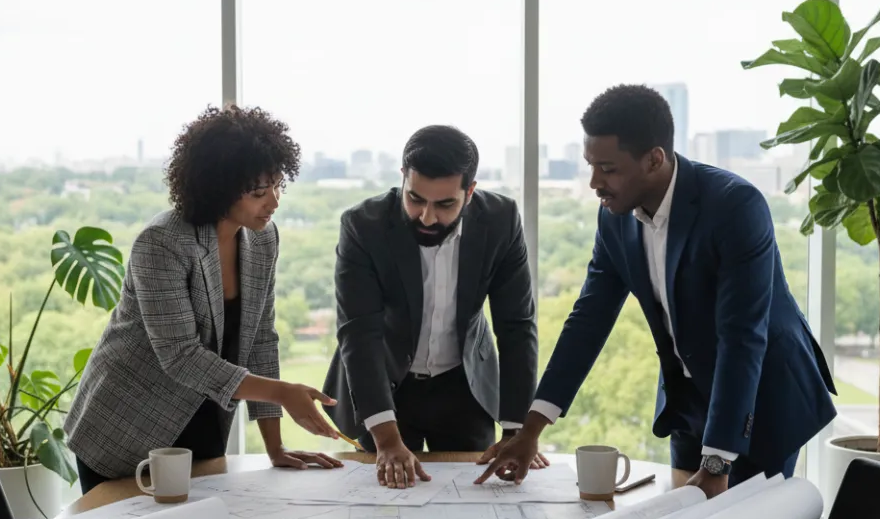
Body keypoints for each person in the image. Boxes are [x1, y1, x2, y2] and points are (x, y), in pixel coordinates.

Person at [478, 85, 837, 497]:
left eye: (608, 168)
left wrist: (718, 460)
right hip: (688, 402)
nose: (595, 182)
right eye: (590, 166)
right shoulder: (614, 218)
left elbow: (742, 336)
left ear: (654, 159)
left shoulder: (735, 206)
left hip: (761, 398)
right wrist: (531, 428)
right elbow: (588, 322)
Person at [65, 105, 343, 494]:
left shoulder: (263, 238)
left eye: (278, 185)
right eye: (260, 192)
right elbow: (180, 355)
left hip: (204, 425)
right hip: (126, 429)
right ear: (218, 187)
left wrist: (275, 447)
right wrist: (283, 392)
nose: (275, 202)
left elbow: (261, 338)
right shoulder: (161, 242)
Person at [324, 125, 547, 488]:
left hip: (465, 388)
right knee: (377, 508)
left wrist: (515, 430)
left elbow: (517, 326)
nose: (426, 217)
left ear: (469, 192)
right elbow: (359, 333)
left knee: (475, 506)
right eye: (415, 199)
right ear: (403, 179)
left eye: (444, 204)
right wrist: (387, 439)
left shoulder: (500, 220)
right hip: (385, 386)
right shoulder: (363, 226)